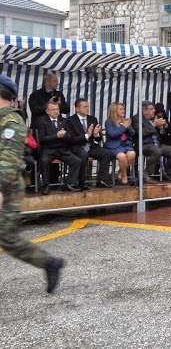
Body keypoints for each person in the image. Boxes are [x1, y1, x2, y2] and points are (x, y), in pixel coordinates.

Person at [0, 75, 65, 293]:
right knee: (6, 237)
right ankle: (50, 263)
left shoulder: (11, 122)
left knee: (6, 237)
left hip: (6, 188)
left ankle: (49, 263)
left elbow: (7, 163)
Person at [35, 102, 82, 195]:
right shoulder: (42, 121)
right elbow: (41, 138)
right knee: (44, 161)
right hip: (48, 149)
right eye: (53, 109)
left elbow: (70, 136)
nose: (56, 111)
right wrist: (56, 136)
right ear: (47, 111)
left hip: (62, 149)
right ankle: (46, 185)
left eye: (57, 109)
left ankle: (68, 183)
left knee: (77, 161)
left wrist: (64, 135)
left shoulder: (64, 121)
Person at [67, 98, 113, 189]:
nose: (87, 109)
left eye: (87, 107)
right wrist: (86, 136)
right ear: (77, 109)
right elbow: (70, 138)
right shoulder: (70, 120)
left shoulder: (92, 119)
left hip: (89, 145)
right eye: (84, 107)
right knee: (83, 154)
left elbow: (99, 138)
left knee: (106, 153)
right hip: (77, 146)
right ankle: (81, 181)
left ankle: (102, 180)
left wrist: (95, 134)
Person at [132, 101, 171, 183]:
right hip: (143, 144)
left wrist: (162, 128)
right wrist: (153, 125)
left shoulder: (155, 118)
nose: (154, 110)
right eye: (151, 109)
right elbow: (141, 133)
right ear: (144, 111)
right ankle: (146, 174)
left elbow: (164, 135)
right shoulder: (136, 119)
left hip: (157, 143)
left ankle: (167, 174)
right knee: (157, 151)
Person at [104, 102, 136, 185]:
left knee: (132, 154)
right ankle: (124, 176)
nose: (123, 111)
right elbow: (113, 134)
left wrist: (128, 127)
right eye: (120, 109)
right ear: (114, 110)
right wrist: (123, 127)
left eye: (123, 109)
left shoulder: (125, 121)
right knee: (122, 156)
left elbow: (133, 134)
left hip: (125, 145)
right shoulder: (109, 122)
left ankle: (119, 175)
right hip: (113, 146)